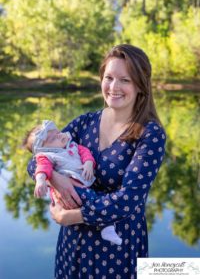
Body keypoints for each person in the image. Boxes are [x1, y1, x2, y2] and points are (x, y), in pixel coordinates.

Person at [28, 44, 166, 279]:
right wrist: (55, 178)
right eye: (109, 77)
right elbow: (37, 159)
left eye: (125, 80)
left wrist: (74, 216)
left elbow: (129, 200)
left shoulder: (149, 134)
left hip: (117, 250)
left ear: (141, 86)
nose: (114, 87)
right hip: (73, 246)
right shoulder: (84, 123)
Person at [23, 120, 122, 245]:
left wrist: (88, 163)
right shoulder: (47, 156)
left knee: (97, 198)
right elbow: (41, 167)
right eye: (53, 138)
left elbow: (84, 152)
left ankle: (105, 225)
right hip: (72, 192)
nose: (60, 135)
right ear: (45, 148)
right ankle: (106, 226)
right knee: (94, 200)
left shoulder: (71, 145)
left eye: (58, 132)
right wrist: (41, 180)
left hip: (84, 186)